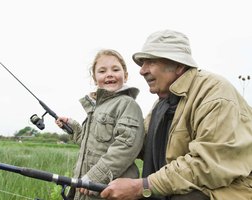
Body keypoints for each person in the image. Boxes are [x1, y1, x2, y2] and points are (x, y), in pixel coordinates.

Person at [100, 30, 252, 200]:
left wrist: (141, 186)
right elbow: (136, 144)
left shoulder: (214, 94)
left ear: (179, 66)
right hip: (185, 186)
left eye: (150, 62)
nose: (142, 70)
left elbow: (208, 165)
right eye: (142, 63)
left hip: (227, 190)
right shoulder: (162, 104)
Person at [55, 49, 145, 200]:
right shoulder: (97, 108)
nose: (109, 74)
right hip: (85, 191)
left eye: (115, 69)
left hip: (107, 192)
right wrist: (72, 127)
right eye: (102, 71)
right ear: (95, 78)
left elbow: (126, 147)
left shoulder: (127, 104)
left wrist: (95, 177)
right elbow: (92, 143)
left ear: (126, 75)